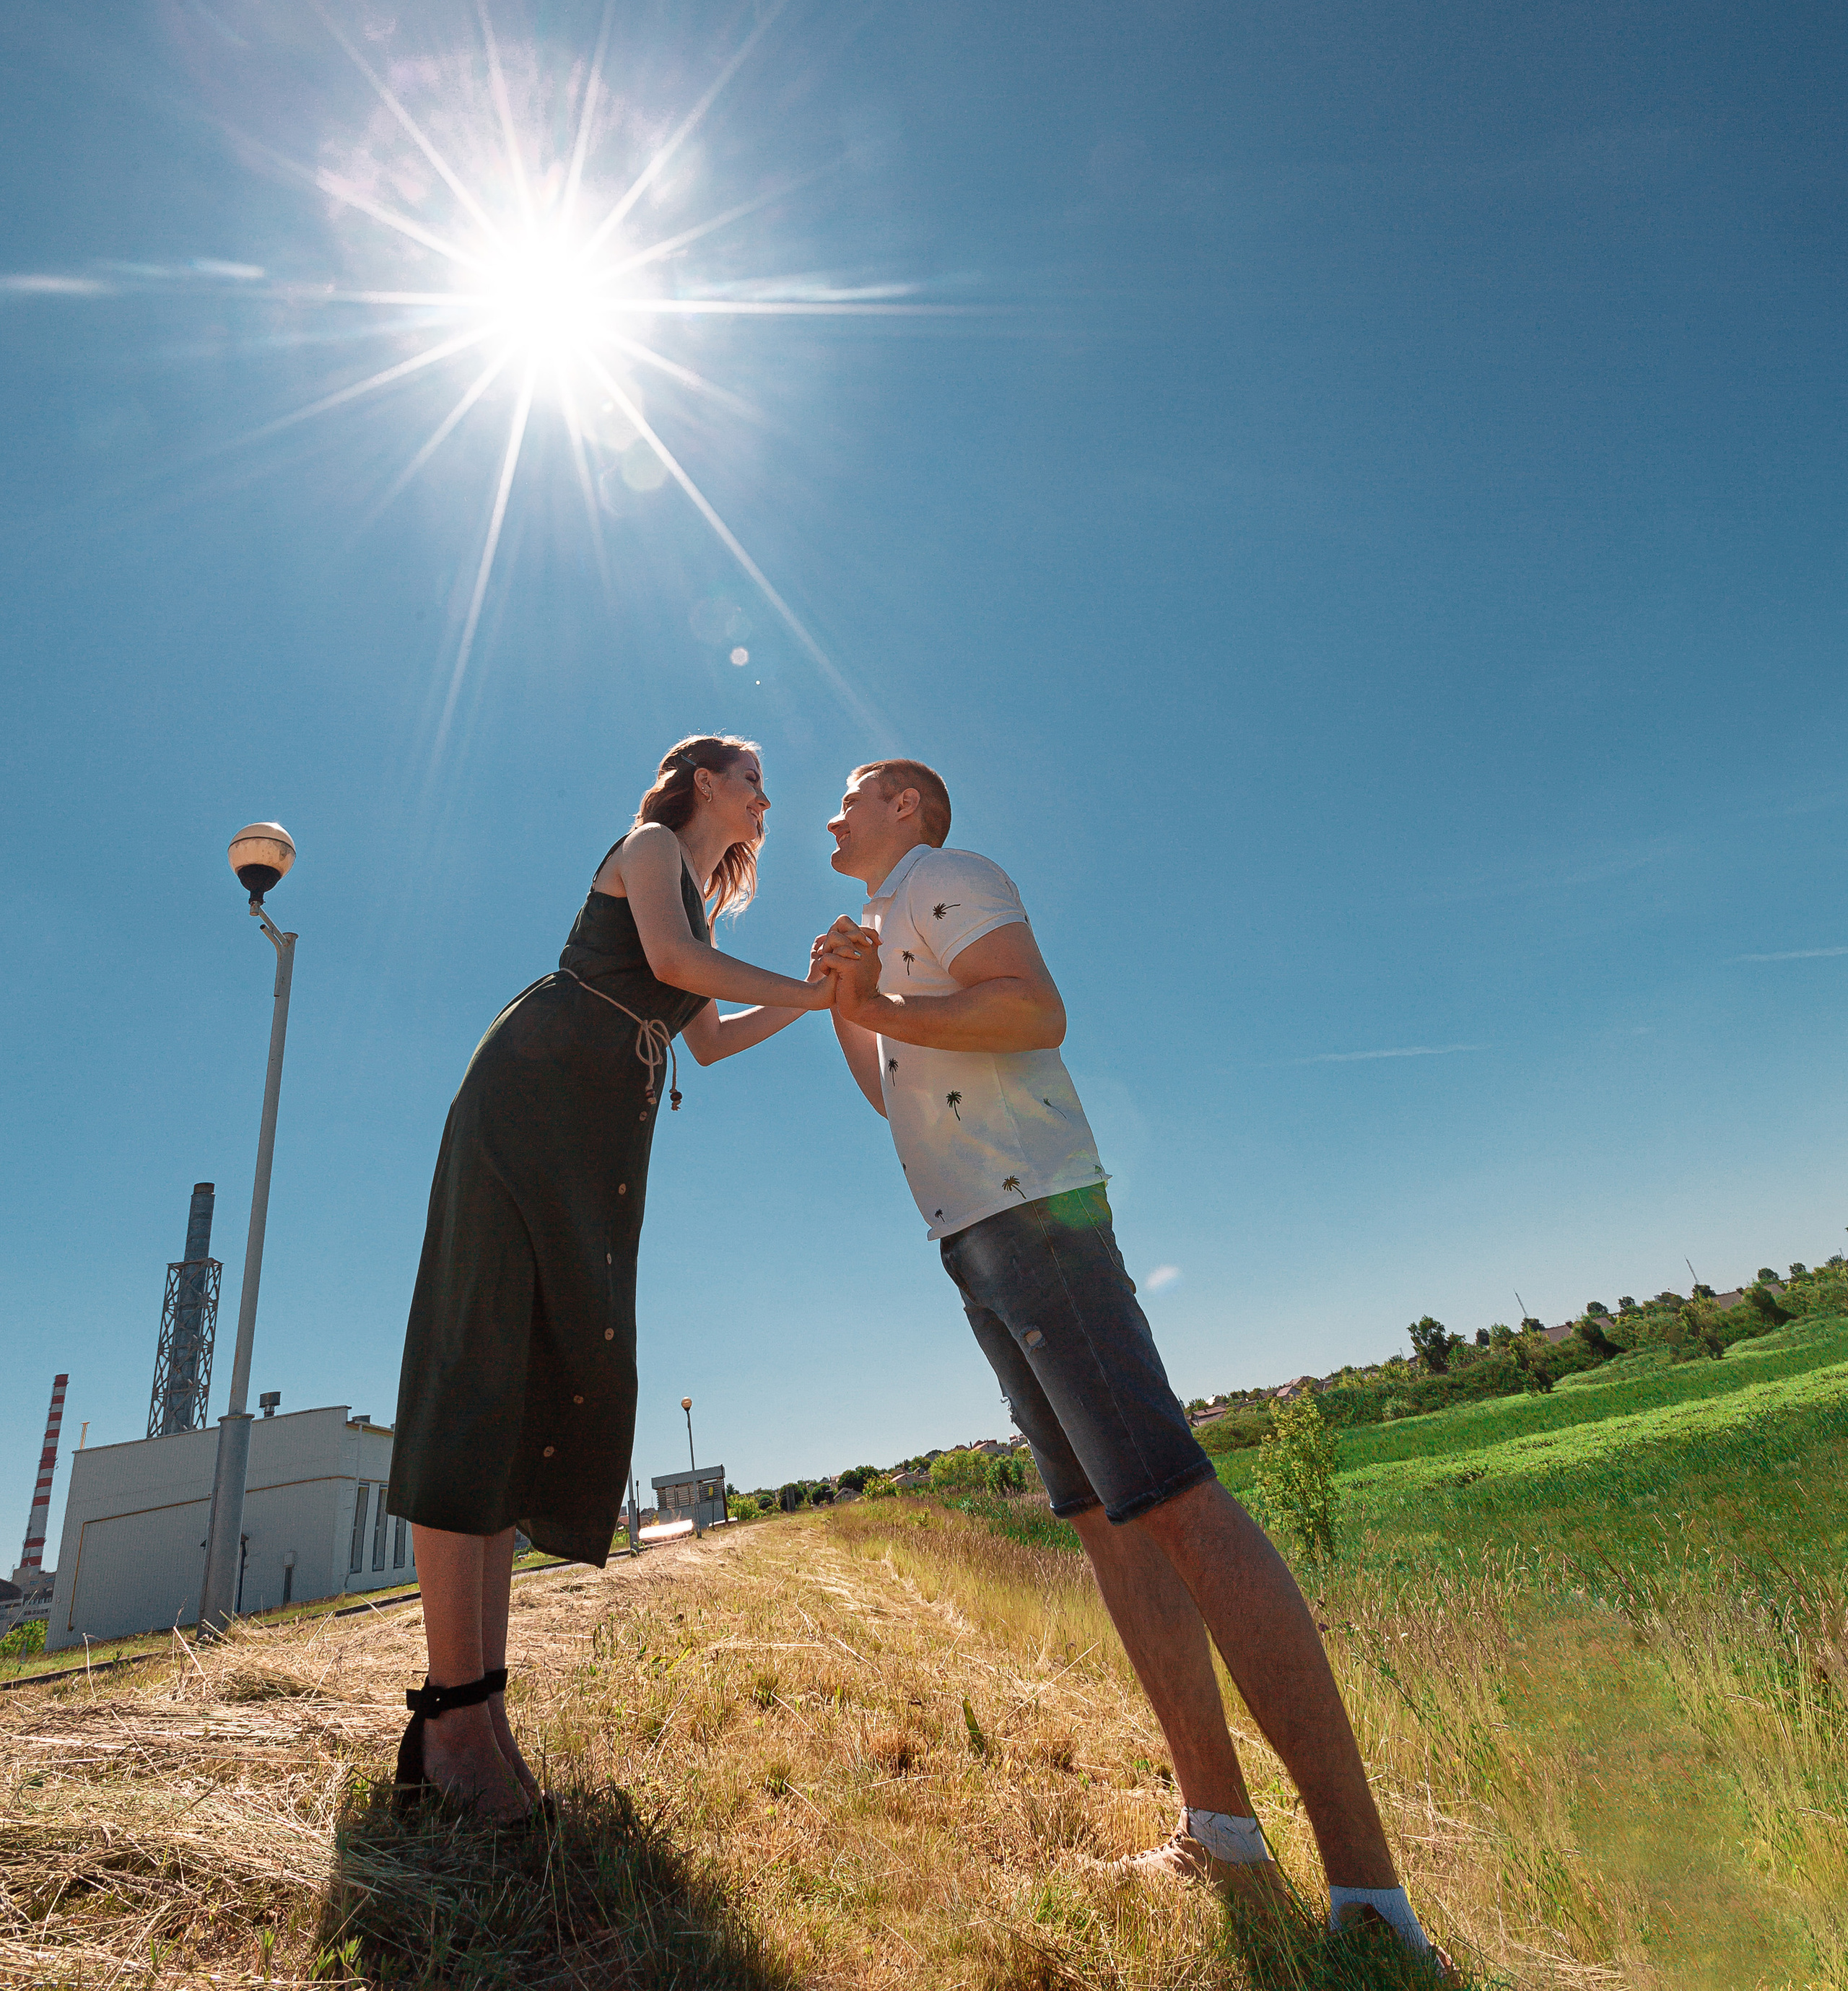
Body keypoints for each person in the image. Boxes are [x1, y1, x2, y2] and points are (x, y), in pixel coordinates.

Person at [814, 759, 1447, 1966]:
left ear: (909, 806)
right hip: (972, 1234)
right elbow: (895, 1095)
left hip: (1036, 1215)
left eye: (853, 795)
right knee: (1112, 1520)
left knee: (1177, 1503)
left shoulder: (947, 874)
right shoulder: (891, 923)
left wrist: (882, 1003)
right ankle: (1220, 1829)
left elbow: (1032, 1011)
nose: (831, 815)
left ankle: (1370, 1897)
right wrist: (852, 997)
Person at [387, 735, 832, 1819]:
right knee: (481, 1371)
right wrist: (807, 989)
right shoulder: (646, 850)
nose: (767, 794)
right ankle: (453, 1725)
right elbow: (677, 972)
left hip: (592, 1140)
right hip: (525, 1109)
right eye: (752, 775)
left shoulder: (700, 903)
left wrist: (821, 1000)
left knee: (537, 1382)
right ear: (701, 783)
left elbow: (711, 1042)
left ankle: (478, 1717)